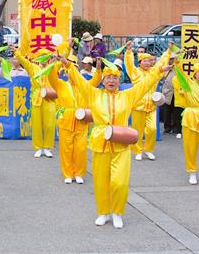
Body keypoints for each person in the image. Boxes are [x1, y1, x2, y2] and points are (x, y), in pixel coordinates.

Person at [60, 41, 172, 228]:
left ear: (119, 81)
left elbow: (147, 82)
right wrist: (67, 64)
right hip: (100, 142)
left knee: (119, 182)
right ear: (103, 80)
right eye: (108, 78)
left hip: (121, 143)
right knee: (101, 181)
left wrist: (161, 67)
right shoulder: (94, 94)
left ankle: (117, 212)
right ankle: (103, 212)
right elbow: (79, 81)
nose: (111, 81)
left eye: (115, 78)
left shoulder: (127, 96)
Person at [48, 55, 102, 184]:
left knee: (80, 149)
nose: (72, 74)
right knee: (66, 149)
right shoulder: (61, 85)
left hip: (81, 121)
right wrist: (55, 63)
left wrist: (98, 69)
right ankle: (67, 173)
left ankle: (79, 173)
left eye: (75, 71)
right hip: (66, 120)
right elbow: (51, 77)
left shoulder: (85, 85)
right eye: (70, 72)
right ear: (66, 73)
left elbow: (96, 80)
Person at [124, 45, 172, 161]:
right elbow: (129, 65)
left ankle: (148, 150)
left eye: (149, 61)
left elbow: (161, 64)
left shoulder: (154, 72)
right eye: (144, 61)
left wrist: (169, 50)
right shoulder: (135, 73)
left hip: (151, 106)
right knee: (137, 130)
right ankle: (137, 150)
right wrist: (129, 51)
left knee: (152, 129)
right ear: (139, 62)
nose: (147, 63)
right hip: (138, 106)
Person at [13, 46, 56, 158]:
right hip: (37, 98)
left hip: (49, 98)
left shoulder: (53, 67)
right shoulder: (32, 67)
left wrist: (66, 50)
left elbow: (63, 59)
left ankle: (47, 147)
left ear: (49, 58)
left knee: (50, 124)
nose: (44, 59)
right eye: (41, 56)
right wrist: (16, 51)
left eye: (46, 56)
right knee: (37, 124)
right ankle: (38, 147)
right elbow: (23, 60)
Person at [174, 62, 199, 185]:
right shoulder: (188, 84)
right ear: (195, 74)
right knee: (190, 148)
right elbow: (180, 74)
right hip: (191, 118)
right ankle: (192, 172)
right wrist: (177, 61)